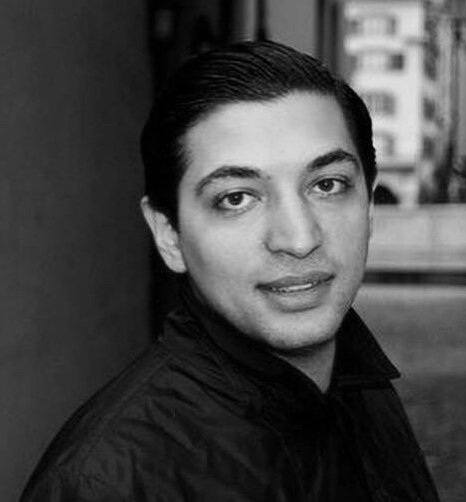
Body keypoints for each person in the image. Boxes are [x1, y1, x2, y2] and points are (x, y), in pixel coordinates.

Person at [21, 41, 440, 501]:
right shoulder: (107, 484)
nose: (299, 239)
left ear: (369, 206)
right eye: (236, 198)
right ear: (169, 235)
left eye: (327, 185)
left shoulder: (363, 388)